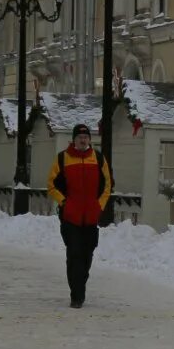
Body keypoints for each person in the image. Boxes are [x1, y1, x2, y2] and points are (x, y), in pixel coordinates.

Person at [47, 123, 112, 308]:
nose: (83, 140)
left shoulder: (98, 159)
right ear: (74, 140)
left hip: (91, 217)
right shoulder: (62, 159)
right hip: (71, 217)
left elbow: (108, 184)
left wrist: (100, 205)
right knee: (74, 254)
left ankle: (80, 285)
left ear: (89, 140)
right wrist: (64, 202)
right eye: (80, 137)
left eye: (86, 137)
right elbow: (51, 185)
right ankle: (77, 295)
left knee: (87, 255)